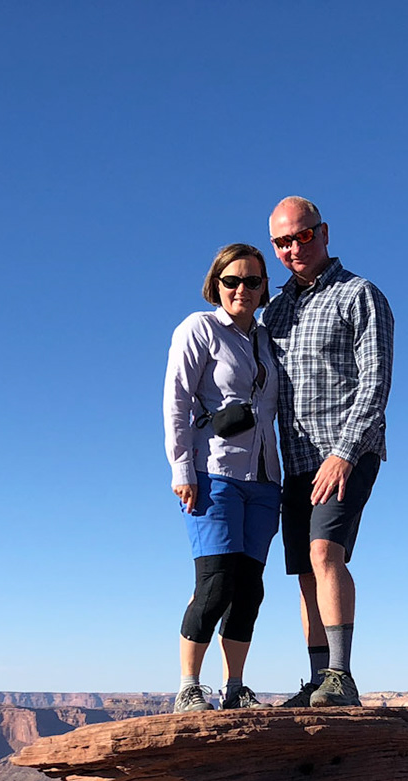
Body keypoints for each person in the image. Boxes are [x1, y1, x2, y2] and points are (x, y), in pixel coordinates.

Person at [262, 197, 394, 707]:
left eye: (304, 235)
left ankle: (341, 676)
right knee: (303, 569)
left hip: (347, 451)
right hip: (293, 461)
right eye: (283, 242)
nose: (295, 248)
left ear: (325, 232)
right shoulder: (275, 311)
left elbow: (376, 383)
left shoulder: (359, 295)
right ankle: (318, 678)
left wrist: (343, 452)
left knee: (325, 553)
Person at [163, 243, 282, 712]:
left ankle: (235, 687)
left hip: (264, 479)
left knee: (249, 588)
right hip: (213, 473)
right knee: (214, 583)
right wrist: (180, 468)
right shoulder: (200, 328)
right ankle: (189, 686)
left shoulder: (265, 341)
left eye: (253, 281)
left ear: (262, 288)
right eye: (232, 281)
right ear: (217, 284)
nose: (242, 290)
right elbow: (176, 399)